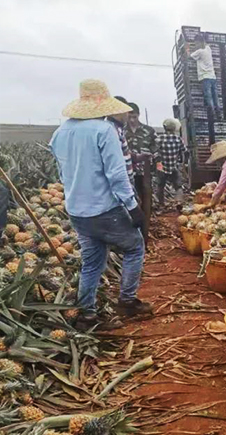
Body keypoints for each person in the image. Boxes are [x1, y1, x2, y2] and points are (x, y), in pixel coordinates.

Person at [51, 79, 152, 330]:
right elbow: (116, 175)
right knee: (134, 248)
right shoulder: (104, 130)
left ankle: (87, 315)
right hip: (105, 209)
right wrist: (132, 207)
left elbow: (62, 173)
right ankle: (127, 301)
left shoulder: (60, 132)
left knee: (92, 261)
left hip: (77, 210)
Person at [125, 102, 156, 243]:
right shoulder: (122, 131)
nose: (132, 120)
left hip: (145, 172)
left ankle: (144, 237)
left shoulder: (148, 130)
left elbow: (156, 148)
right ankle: (132, 237)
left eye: (134, 116)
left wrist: (153, 157)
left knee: (146, 204)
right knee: (131, 204)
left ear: (138, 115)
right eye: (129, 116)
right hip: (127, 173)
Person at [187, 34, 221, 120]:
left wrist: (187, 48)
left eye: (196, 43)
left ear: (199, 42)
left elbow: (189, 56)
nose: (196, 45)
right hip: (213, 77)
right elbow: (206, 44)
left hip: (205, 77)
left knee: (208, 97)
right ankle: (219, 114)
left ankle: (212, 114)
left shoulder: (199, 52)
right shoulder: (208, 49)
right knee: (215, 97)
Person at [155, 118, 187, 207]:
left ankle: (161, 204)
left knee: (160, 186)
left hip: (161, 167)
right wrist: (182, 164)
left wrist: (158, 166)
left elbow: (155, 153)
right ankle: (179, 202)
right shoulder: (178, 139)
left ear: (164, 127)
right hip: (174, 166)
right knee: (178, 186)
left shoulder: (159, 139)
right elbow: (184, 151)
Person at [109, 96, 135, 186]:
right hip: (121, 185)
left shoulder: (118, 128)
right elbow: (115, 161)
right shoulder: (111, 130)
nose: (128, 115)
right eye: (127, 112)